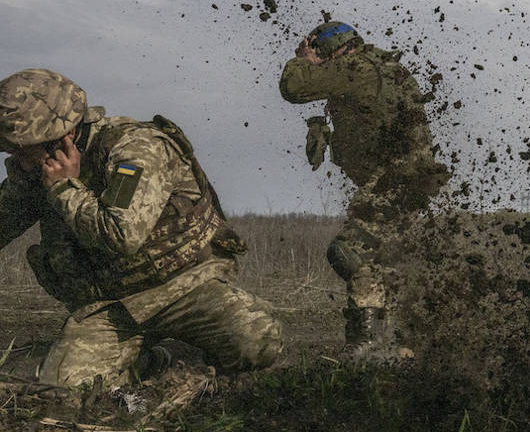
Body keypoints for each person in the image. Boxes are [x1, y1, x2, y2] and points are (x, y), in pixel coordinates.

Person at [0, 69, 283, 387]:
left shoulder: (136, 149)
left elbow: (121, 235)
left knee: (259, 341)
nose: (16, 159)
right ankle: (154, 360)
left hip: (184, 288)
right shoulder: (37, 171)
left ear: (59, 138)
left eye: (21, 149)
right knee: (66, 385)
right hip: (111, 307)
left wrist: (66, 188)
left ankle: (181, 352)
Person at [279, 21, 450, 355]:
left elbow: (294, 87)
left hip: (397, 181)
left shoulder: (355, 66)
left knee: (350, 251)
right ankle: (397, 345)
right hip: (407, 180)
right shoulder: (383, 66)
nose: (322, 61)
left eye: (321, 53)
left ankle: (368, 342)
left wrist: (303, 59)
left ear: (333, 49)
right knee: (379, 261)